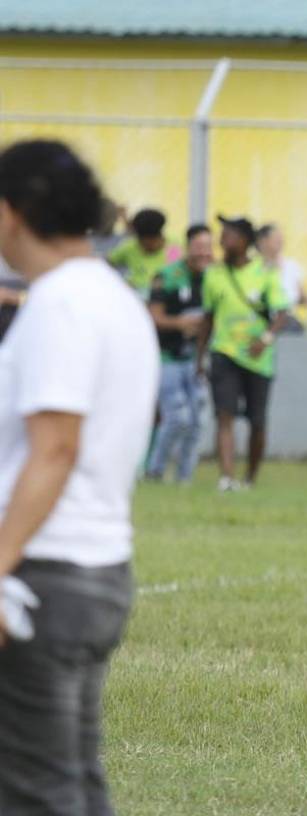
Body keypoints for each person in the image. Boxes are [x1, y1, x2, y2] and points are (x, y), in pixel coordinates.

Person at [0, 139, 158, 815]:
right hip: (95, 572)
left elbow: (55, 449)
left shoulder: (61, 306)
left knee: (35, 795)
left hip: (44, 575)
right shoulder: (110, 297)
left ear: (13, 214)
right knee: (74, 787)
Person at [196, 215, 289, 492]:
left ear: (245, 241)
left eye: (229, 234)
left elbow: (282, 312)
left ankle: (249, 478)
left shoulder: (265, 272)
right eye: (222, 234)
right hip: (223, 352)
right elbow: (208, 317)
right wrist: (200, 357)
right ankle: (226, 478)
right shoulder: (214, 274)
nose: (223, 239)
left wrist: (267, 338)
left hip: (258, 358)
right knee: (224, 415)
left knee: (257, 421)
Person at [145, 224, 213, 484]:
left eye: (207, 247)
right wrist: (181, 324)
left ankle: (185, 478)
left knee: (197, 422)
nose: (203, 253)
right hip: (168, 359)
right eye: (198, 247)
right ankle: (155, 471)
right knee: (177, 418)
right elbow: (154, 316)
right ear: (188, 247)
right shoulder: (167, 276)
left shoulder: (214, 278)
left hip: (196, 360)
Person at [256, 223, 307, 334]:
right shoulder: (253, 266)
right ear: (262, 241)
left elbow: (300, 293)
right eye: (275, 238)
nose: (280, 242)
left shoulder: (291, 266)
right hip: (260, 318)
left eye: (281, 238)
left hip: (285, 320)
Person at [106, 207, 179, 297]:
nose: (145, 247)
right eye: (141, 242)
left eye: (150, 242)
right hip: (135, 296)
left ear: (159, 236)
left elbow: (179, 272)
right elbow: (105, 264)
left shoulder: (174, 247)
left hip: (167, 297)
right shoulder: (129, 247)